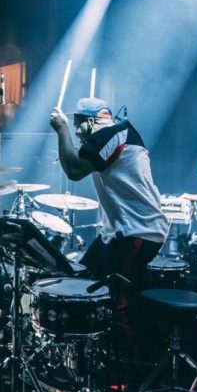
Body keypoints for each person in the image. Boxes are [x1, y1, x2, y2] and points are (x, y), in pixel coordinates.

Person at [50, 98, 170, 354]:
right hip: (120, 232)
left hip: (138, 231)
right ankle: (92, 356)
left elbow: (73, 169)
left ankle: (128, 373)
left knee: (117, 302)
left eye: (77, 126)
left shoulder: (110, 134)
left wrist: (62, 130)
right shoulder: (120, 132)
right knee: (83, 278)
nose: (77, 133)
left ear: (91, 121)